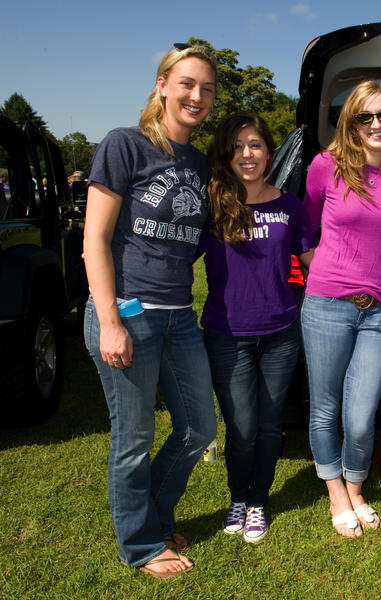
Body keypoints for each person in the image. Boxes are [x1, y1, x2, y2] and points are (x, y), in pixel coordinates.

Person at [83, 44, 219, 578]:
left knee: (200, 428)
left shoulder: (198, 161)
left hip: (179, 314)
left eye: (207, 89)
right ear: (162, 84)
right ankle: (140, 545)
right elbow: (95, 239)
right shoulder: (126, 145)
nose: (197, 96)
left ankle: (156, 518)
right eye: (187, 84)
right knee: (134, 436)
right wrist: (110, 320)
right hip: (127, 312)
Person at [301, 80, 381, 537]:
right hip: (327, 305)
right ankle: (338, 494)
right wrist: (318, 266)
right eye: (363, 116)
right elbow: (305, 224)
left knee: (362, 414)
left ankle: (356, 483)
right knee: (326, 408)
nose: (375, 124)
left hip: (378, 312)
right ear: (350, 122)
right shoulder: (325, 166)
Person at [200, 112, 315, 544]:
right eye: (238, 146)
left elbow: (312, 261)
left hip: (281, 332)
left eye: (256, 145)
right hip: (226, 334)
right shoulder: (213, 204)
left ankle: (258, 501)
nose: (247, 154)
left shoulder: (289, 205)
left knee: (269, 426)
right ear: (227, 153)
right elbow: (175, 255)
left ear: (270, 151)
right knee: (242, 427)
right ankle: (238, 495)